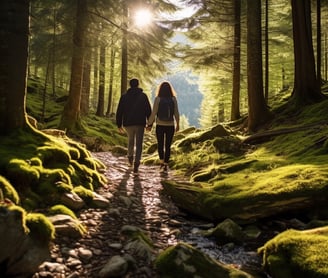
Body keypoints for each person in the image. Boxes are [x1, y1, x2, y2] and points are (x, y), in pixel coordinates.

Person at [116, 78, 152, 174]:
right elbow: (148, 110)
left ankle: (130, 158)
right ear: (138, 84)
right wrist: (150, 124)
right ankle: (137, 164)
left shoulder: (124, 97)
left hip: (128, 123)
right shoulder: (143, 96)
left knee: (130, 141)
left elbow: (119, 111)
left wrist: (119, 124)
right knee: (139, 143)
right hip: (140, 123)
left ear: (130, 85)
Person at [147, 81, 180, 172]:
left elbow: (154, 113)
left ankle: (161, 161)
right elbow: (176, 113)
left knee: (160, 144)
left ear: (160, 89)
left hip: (160, 125)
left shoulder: (158, 99)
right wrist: (178, 124)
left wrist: (149, 124)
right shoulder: (173, 99)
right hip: (170, 125)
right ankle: (166, 163)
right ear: (170, 89)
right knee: (168, 145)